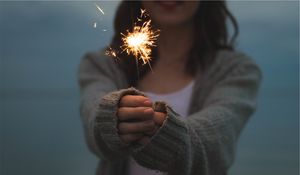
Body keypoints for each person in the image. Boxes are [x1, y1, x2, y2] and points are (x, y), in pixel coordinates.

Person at [78, 1, 262, 175]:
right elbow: (93, 113)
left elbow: (219, 136)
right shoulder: (103, 64)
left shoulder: (236, 70)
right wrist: (110, 117)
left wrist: (168, 134)